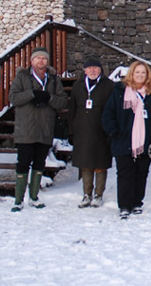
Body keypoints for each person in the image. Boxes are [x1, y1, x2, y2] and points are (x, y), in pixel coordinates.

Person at [102, 61, 151, 219]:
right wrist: (113, 132)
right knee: (125, 173)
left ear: (147, 75)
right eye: (137, 72)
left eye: (143, 73)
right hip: (123, 139)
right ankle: (124, 205)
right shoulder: (119, 92)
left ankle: (137, 202)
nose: (140, 75)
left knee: (141, 173)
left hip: (145, 140)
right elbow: (108, 114)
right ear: (131, 74)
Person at [8, 47, 67, 212]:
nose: (41, 61)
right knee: (23, 164)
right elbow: (13, 98)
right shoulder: (22, 77)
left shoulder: (53, 79)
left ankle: (34, 197)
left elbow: (62, 102)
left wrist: (49, 98)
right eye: (38, 58)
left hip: (45, 129)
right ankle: (18, 200)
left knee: (39, 163)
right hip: (26, 129)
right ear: (32, 61)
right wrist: (31, 94)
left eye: (44, 58)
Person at [67, 57, 114, 208]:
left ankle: (98, 194)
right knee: (85, 163)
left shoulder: (109, 86)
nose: (92, 71)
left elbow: (113, 110)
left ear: (101, 69)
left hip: (101, 129)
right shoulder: (78, 86)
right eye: (89, 68)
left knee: (100, 163)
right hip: (82, 130)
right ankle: (87, 194)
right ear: (85, 70)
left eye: (95, 68)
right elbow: (72, 109)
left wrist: (111, 130)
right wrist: (71, 130)